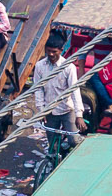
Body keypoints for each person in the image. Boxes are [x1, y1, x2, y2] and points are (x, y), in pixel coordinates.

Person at [29, 34, 82, 172]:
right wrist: (41, 110)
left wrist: (79, 114)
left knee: (74, 141)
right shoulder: (40, 66)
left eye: (54, 52)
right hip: (49, 110)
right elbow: (38, 89)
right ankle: (52, 166)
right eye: (49, 51)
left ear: (61, 50)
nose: (51, 54)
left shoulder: (69, 67)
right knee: (52, 145)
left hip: (66, 109)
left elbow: (75, 91)